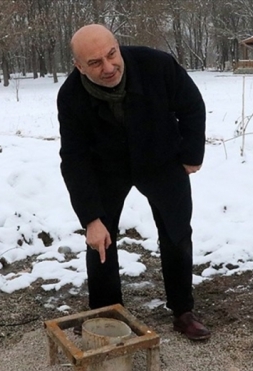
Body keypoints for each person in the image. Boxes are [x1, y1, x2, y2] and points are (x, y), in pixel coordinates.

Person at [57, 24, 210, 341]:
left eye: (111, 55)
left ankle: (183, 311)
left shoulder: (157, 65)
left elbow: (192, 105)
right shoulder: (71, 96)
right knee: (99, 239)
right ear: (79, 66)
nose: (108, 67)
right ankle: (107, 314)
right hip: (106, 168)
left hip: (161, 158)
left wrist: (191, 155)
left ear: (118, 46)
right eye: (95, 63)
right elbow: (74, 158)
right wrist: (90, 218)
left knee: (177, 231)